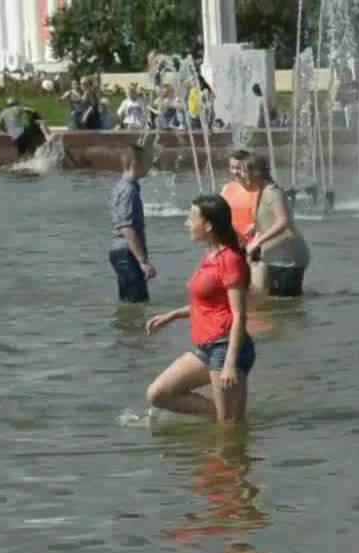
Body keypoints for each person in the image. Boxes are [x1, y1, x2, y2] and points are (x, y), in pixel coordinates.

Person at [145, 195, 255, 424]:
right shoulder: (210, 255)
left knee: (229, 429)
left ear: (208, 225)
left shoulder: (230, 260)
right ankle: (225, 416)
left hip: (225, 347)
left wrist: (230, 364)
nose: (187, 223)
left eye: (191, 218)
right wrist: (172, 315)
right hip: (205, 348)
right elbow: (208, 304)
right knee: (158, 393)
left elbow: (239, 315)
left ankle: (228, 421)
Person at [242, 155, 310, 296]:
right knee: (273, 300)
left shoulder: (273, 192)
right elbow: (270, 219)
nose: (241, 176)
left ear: (256, 173)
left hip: (288, 258)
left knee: (286, 304)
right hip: (275, 256)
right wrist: (255, 227)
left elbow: (283, 221)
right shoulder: (263, 191)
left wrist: (257, 242)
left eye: (244, 171)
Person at [109, 144, 157, 303]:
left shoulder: (122, 187)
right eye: (147, 162)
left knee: (129, 303)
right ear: (136, 164)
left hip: (122, 252)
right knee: (138, 302)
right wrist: (142, 261)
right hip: (127, 253)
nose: (150, 165)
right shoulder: (128, 190)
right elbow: (126, 227)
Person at [221, 150, 259, 248]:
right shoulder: (227, 189)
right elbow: (218, 215)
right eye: (232, 168)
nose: (235, 172)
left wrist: (257, 226)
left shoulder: (261, 190)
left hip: (254, 244)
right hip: (230, 242)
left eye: (238, 168)